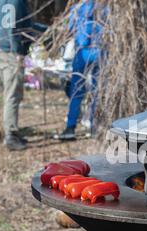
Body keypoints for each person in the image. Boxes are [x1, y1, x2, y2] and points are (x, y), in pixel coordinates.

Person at [0, 0, 47, 151]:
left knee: (11, 93)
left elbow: (26, 25)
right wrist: (17, 52)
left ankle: (12, 130)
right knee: (12, 94)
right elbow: (13, 29)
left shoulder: (1, 3)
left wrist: (46, 29)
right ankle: (10, 135)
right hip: (10, 53)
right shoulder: (16, 2)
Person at [55, 0, 108, 141]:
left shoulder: (77, 8)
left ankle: (70, 128)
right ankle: (94, 126)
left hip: (82, 52)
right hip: (100, 51)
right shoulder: (104, 7)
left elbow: (71, 29)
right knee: (97, 90)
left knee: (76, 90)